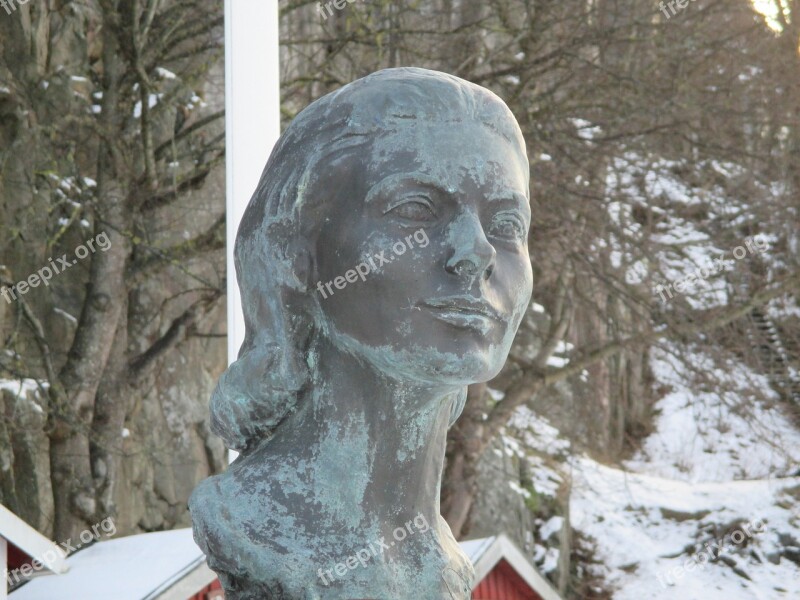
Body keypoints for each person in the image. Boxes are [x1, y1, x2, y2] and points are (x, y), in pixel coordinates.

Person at [190, 66, 533, 600]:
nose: (476, 252)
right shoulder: (258, 522)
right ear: (296, 255)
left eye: (506, 224)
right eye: (415, 209)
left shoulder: (437, 561)